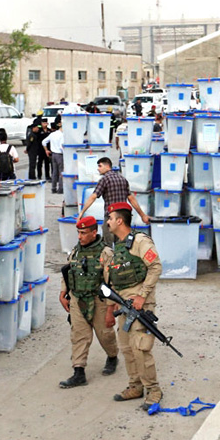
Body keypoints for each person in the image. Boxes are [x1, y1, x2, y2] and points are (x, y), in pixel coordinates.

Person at [103, 202, 163, 411]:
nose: (108, 222)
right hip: (123, 305)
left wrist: (142, 295)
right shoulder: (117, 247)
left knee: (140, 348)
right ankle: (135, 386)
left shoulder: (139, 241)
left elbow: (156, 266)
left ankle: (153, 390)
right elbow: (112, 282)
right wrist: (110, 309)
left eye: (110, 218)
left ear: (120, 220)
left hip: (139, 305)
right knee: (127, 348)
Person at [58, 216, 119, 388]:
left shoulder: (105, 253)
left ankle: (112, 356)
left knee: (105, 334)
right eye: (78, 232)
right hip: (78, 300)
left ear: (94, 232)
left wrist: (110, 310)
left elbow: (111, 284)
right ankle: (79, 372)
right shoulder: (75, 252)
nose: (80, 236)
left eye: (84, 233)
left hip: (99, 301)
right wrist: (63, 293)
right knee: (79, 335)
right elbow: (68, 273)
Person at [77, 157, 149, 244]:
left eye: (100, 166)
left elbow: (93, 196)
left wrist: (82, 212)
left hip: (110, 218)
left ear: (107, 166)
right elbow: (131, 198)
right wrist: (142, 215)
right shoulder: (123, 179)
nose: (98, 169)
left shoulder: (104, 180)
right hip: (123, 219)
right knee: (123, 246)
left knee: (108, 246)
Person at [42, 122, 64, 193]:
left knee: (54, 172)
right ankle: (60, 189)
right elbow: (61, 146)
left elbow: (44, 142)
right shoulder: (62, 135)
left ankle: (53, 188)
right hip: (60, 155)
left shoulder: (52, 134)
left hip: (53, 155)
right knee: (61, 172)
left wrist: (46, 150)